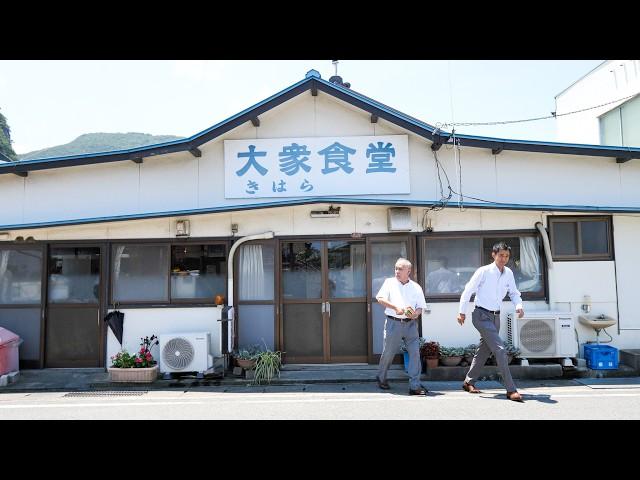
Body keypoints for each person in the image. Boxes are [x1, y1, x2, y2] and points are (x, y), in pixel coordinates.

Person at [457, 241, 525, 402]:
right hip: (481, 315)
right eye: (501, 255)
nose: (504, 258)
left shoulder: (508, 273)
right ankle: (511, 389)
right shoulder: (484, 271)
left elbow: (514, 293)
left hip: (496, 317)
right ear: (493, 255)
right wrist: (462, 311)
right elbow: (468, 290)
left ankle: (468, 382)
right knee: (500, 350)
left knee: (483, 351)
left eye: (507, 256)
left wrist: (519, 306)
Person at [376, 258, 428, 396]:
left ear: (408, 271)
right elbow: (380, 298)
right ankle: (381, 378)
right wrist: (395, 307)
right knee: (388, 353)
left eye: (400, 269)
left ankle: (414, 386)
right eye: (396, 268)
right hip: (393, 322)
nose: (397, 271)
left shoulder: (416, 287)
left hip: (410, 325)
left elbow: (420, 308)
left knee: (415, 353)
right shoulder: (389, 283)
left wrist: (415, 315)